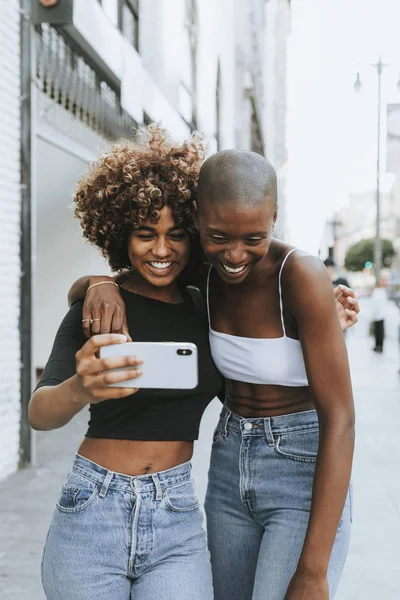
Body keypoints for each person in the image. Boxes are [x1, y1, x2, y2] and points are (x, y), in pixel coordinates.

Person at [70, 144, 360, 600]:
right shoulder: (203, 273)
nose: (236, 254)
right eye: (219, 236)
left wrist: (314, 571)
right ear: (199, 219)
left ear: (274, 217)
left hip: (302, 466)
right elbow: (131, 277)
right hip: (228, 463)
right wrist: (99, 283)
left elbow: (341, 420)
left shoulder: (299, 275)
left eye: (253, 238)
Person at [29, 125, 223, 600]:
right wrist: (81, 388)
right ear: (120, 234)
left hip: (176, 513)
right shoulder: (98, 308)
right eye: (145, 234)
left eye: (176, 234)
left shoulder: (208, 309)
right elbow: (39, 414)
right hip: (92, 508)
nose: (161, 250)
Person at [370, 280, 388, 353]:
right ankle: (380, 346)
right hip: (382, 315)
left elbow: (374, 305)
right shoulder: (382, 292)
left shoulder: (376, 293)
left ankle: (377, 346)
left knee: (377, 332)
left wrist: (373, 314)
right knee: (381, 332)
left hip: (377, 315)